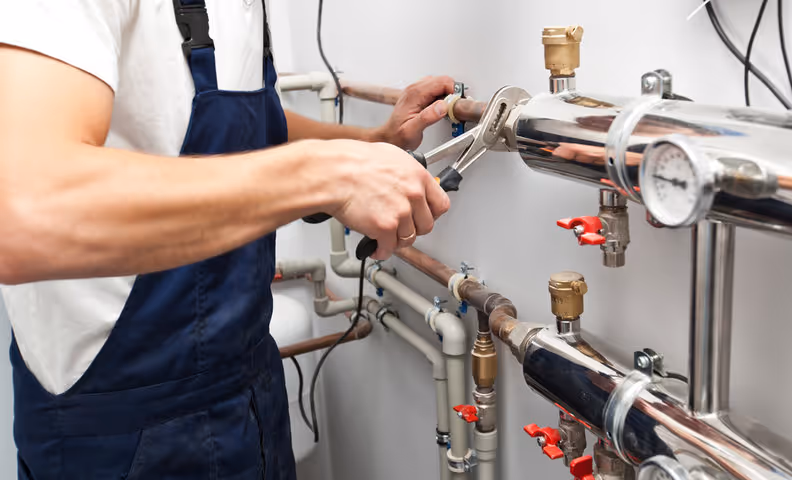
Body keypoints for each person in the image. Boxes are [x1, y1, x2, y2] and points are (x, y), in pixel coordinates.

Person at [0, 1, 453, 478]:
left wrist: (370, 144)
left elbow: (242, 130)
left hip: (250, 392)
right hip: (122, 430)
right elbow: (24, 212)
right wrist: (326, 176)